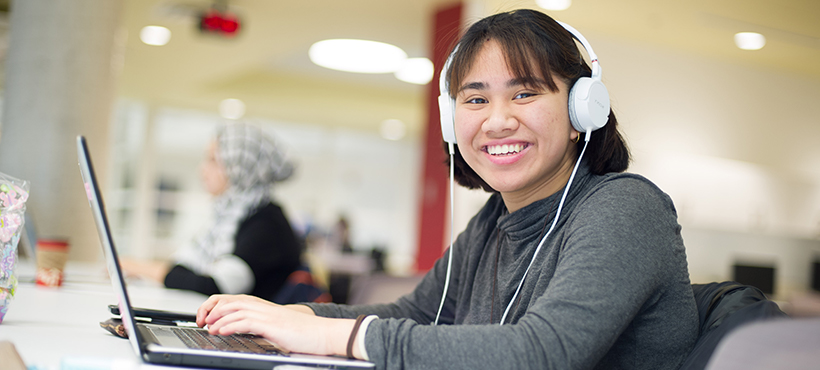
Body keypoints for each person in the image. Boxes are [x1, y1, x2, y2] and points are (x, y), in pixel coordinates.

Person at [194, 9, 699, 369]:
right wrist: (290, 317)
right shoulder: (494, 221)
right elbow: (417, 314)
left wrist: (326, 335)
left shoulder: (627, 208)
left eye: (525, 93)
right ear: (452, 120)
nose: (498, 121)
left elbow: (543, 353)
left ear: (580, 111)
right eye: (475, 99)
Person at [122, 123, 302, 301]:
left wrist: (137, 267)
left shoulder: (267, 224)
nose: (202, 169)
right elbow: (184, 268)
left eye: (213, 160)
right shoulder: (230, 215)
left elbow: (214, 287)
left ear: (240, 168)